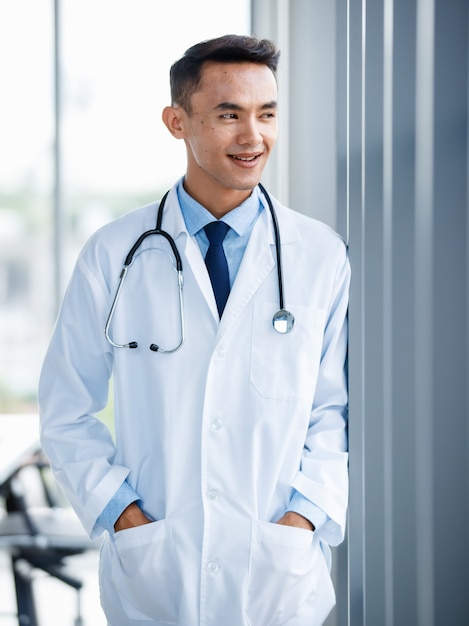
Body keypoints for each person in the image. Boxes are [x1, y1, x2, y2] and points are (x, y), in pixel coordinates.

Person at [38, 34, 350, 626]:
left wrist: (302, 518)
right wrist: (122, 513)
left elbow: (332, 412)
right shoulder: (114, 253)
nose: (253, 137)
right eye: (229, 114)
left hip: (278, 580)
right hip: (155, 575)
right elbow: (65, 409)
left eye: (267, 114)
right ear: (176, 121)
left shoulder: (319, 255)